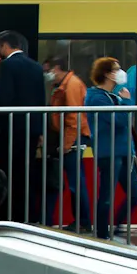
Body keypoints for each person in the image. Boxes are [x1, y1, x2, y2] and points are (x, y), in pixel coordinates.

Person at [0, 30, 46, 225]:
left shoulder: (7, 66)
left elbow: (3, 98)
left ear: (5, 46)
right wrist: (39, 130)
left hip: (11, 130)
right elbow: (41, 100)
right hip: (31, 129)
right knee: (27, 174)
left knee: (10, 174)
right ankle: (28, 217)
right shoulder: (36, 67)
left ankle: (10, 216)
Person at [85, 56, 137, 244]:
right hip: (109, 152)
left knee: (135, 194)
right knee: (107, 195)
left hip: (123, 152)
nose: (120, 72)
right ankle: (102, 234)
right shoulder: (96, 98)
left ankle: (115, 227)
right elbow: (121, 120)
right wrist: (127, 102)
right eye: (116, 69)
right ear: (107, 74)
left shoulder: (113, 97)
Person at [43, 56, 92, 232]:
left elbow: (74, 117)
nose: (47, 74)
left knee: (75, 182)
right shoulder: (63, 85)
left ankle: (83, 222)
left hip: (73, 137)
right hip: (68, 136)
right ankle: (81, 221)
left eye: (48, 70)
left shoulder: (71, 85)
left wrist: (67, 143)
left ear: (57, 68)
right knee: (74, 180)